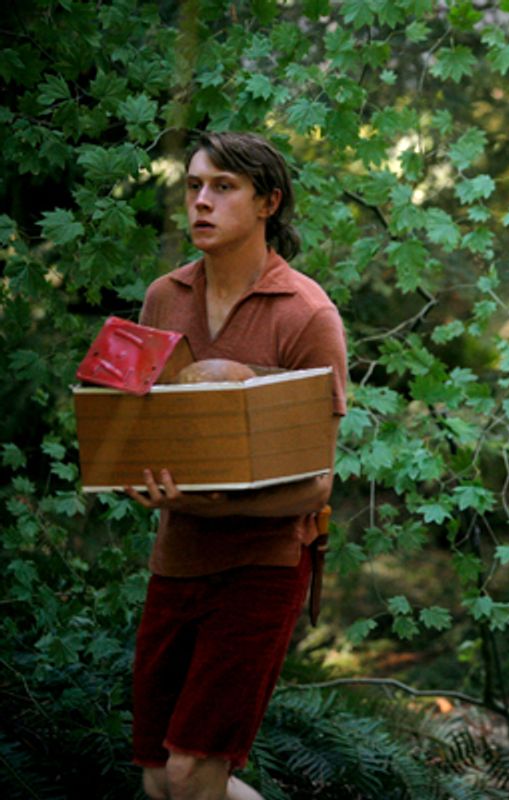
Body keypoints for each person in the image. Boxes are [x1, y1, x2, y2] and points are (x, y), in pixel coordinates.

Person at [123, 131, 348, 800]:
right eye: (193, 186)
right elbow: (141, 427)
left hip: (265, 561)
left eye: (222, 187)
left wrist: (220, 506)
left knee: (196, 771)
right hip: (178, 555)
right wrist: (140, 476)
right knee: (161, 778)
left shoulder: (308, 315)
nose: (201, 201)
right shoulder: (164, 297)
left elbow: (318, 483)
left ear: (268, 203)